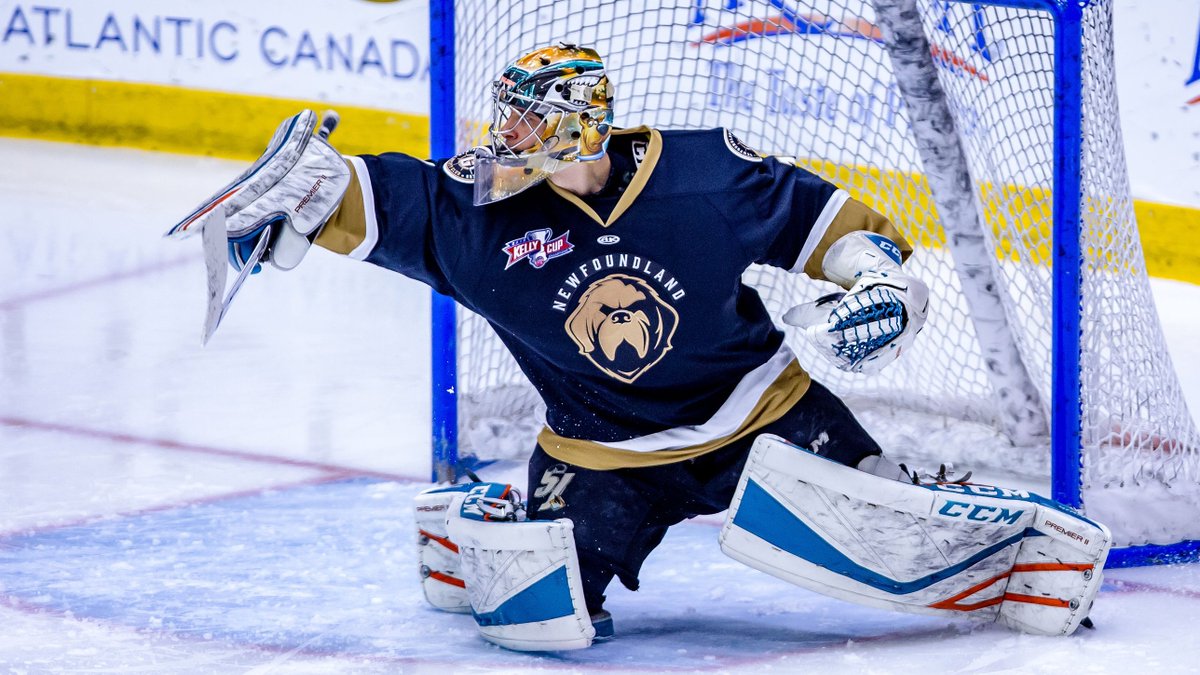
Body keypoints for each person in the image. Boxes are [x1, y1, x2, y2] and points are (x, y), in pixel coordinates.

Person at [180, 44, 1107, 650]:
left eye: (533, 121)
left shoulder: (710, 173)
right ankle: (489, 520)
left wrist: (877, 284)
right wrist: (305, 189)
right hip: (601, 450)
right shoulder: (476, 214)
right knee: (540, 620)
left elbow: (837, 229)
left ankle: (919, 491)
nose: (510, 138)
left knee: (883, 529)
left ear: (584, 121)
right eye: (509, 117)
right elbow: (368, 197)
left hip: (762, 416)